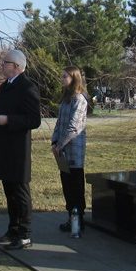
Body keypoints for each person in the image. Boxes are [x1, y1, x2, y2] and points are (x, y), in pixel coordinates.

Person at [0, 48, 41, 250]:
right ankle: (12, 229)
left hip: (17, 148)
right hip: (3, 145)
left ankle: (25, 234)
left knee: (20, 191)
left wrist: (8, 120)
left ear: (16, 66)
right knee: (9, 190)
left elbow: (34, 120)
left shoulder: (28, 87)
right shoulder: (5, 86)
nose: (2, 65)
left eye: (5, 62)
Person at [51, 66, 88, 232]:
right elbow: (59, 123)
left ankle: (78, 218)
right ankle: (70, 216)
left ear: (74, 78)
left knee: (76, 185)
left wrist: (60, 144)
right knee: (66, 184)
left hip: (74, 150)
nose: (62, 79)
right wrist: (54, 142)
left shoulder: (79, 100)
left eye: (65, 76)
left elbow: (73, 127)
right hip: (62, 150)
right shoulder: (65, 100)